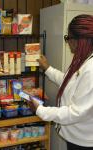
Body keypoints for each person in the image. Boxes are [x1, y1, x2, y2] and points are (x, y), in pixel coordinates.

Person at [28, 14, 93, 150]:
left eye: (68, 38)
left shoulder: (91, 69)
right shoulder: (84, 60)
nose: (68, 42)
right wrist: (47, 68)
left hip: (84, 142)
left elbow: (76, 112)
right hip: (76, 137)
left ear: (80, 40)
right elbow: (70, 82)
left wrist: (40, 110)